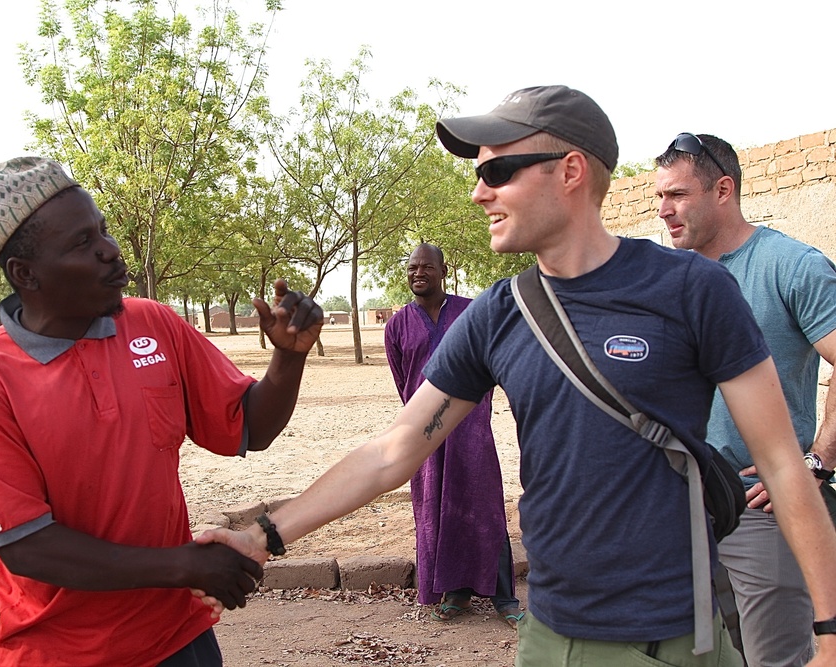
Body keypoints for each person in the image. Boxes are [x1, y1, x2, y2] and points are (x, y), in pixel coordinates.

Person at [196, 85, 836, 666]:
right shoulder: (500, 314)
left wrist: (830, 632)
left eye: (498, 171)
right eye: (478, 175)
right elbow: (393, 451)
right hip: (551, 637)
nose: (479, 192)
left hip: (676, 637)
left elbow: (781, 464)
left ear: (571, 172)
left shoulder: (693, 290)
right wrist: (267, 532)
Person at [0, 156, 322, 667]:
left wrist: (289, 357)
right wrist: (184, 566)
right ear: (24, 273)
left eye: (102, 230)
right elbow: (27, 547)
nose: (109, 251)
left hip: (178, 639)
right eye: (81, 243)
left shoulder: (152, 323)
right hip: (61, 651)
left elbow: (252, 424)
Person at [655, 133, 836, 666]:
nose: (663, 210)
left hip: (761, 504)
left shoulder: (792, 266)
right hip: (678, 507)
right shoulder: (666, 279)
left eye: (678, 195)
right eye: (658, 196)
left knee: (772, 658)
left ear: (724, 189)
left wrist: (818, 459)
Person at [384, 242, 521, 626]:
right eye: (412, 267)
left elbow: (494, 363)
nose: (418, 274)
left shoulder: (470, 313)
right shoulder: (397, 325)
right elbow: (404, 382)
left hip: (471, 431)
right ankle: (455, 592)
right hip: (422, 437)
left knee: (485, 508)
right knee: (436, 511)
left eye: (426, 267)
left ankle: (505, 598)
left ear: (444, 271)